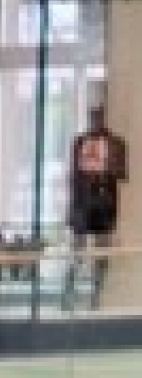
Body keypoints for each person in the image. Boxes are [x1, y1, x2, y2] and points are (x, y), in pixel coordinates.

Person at [70, 105, 126, 310]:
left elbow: (122, 172)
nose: (95, 121)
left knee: (102, 253)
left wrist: (104, 166)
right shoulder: (79, 142)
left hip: (104, 204)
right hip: (83, 204)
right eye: (92, 116)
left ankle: (97, 295)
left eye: (99, 116)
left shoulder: (116, 143)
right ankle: (72, 293)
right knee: (77, 250)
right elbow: (73, 177)